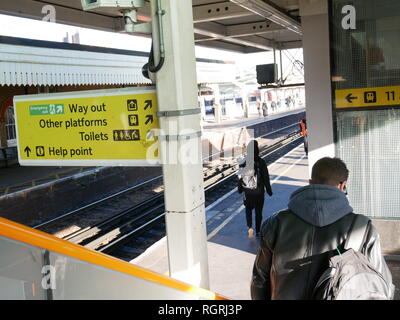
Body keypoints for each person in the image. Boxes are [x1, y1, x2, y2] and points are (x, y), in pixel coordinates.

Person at [250, 157, 394, 300]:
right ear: (343, 185)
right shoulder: (363, 228)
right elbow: (383, 285)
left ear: (310, 183)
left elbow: (259, 280)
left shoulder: (275, 223)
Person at [238, 140, 273, 239]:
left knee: (248, 210)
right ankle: (258, 231)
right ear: (257, 149)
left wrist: (240, 189)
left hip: (247, 192)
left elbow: (240, 178)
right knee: (258, 212)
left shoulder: (243, 161)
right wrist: (269, 191)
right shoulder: (261, 162)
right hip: (258, 192)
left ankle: (249, 227)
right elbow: (266, 178)